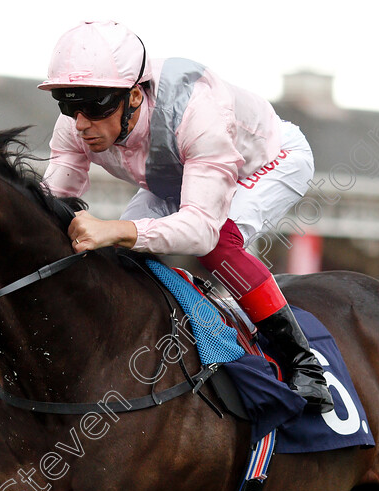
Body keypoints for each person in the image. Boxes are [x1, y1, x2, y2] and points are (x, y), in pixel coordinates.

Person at [38, 21, 332, 413]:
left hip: (268, 160)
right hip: (177, 171)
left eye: (94, 107)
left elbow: (200, 232)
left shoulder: (198, 110)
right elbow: (51, 202)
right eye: (68, 105)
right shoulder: (76, 125)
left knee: (218, 242)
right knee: (124, 257)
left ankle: (302, 363)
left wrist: (115, 228)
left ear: (136, 97)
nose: (80, 123)